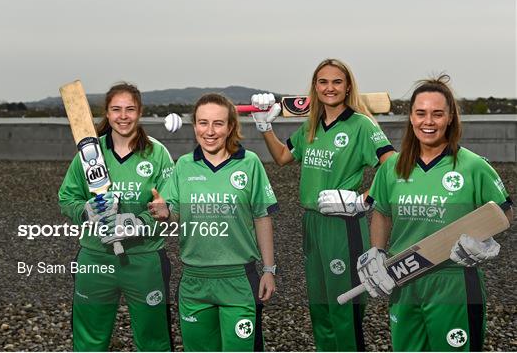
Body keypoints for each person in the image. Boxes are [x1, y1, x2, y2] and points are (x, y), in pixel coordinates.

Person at [356, 75, 513, 351]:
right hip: (404, 277)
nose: (428, 121)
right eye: (421, 113)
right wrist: (377, 251)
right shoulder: (392, 167)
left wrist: (485, 241)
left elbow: (503, 214)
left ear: (450, 117)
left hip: (454, 280)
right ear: (411, 117)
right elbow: (381, 212)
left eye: (437, 114)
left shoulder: (473, 166)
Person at [250, 58, 394, 351]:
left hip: (343, 225)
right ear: (315, 87)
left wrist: (365, 199)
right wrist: (265, 127)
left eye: (337, 81)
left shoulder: (361, 125)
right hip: (312, 223)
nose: (330, 88)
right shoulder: (311, 125)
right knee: (320, 308)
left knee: (344, 307)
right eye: (323, 82)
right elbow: (282, 157)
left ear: (348, 86)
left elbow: (393, 164)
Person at [149, 93, 277, 352]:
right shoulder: (184, 166)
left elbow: (262, 217)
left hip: (239, 279)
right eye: (203, 123)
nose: (210, 131)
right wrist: (164, 213)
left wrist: (269, 270)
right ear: (194, 125)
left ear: (230, 127)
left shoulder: (249, 163)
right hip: (194, 280)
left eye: (218, 123)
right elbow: (174, 214)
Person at [58, 82, 175, 351]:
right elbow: (67, 198)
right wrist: (86, 211)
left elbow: (169, 203)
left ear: (140, 112)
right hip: (96, 257)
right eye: (116, 109)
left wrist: (137, 223)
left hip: (144, 258)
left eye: (130, 109)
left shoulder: (157, 154)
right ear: (107, 114)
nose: (123, 116)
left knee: (153, 340)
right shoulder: (89, 154)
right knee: (89, 339)